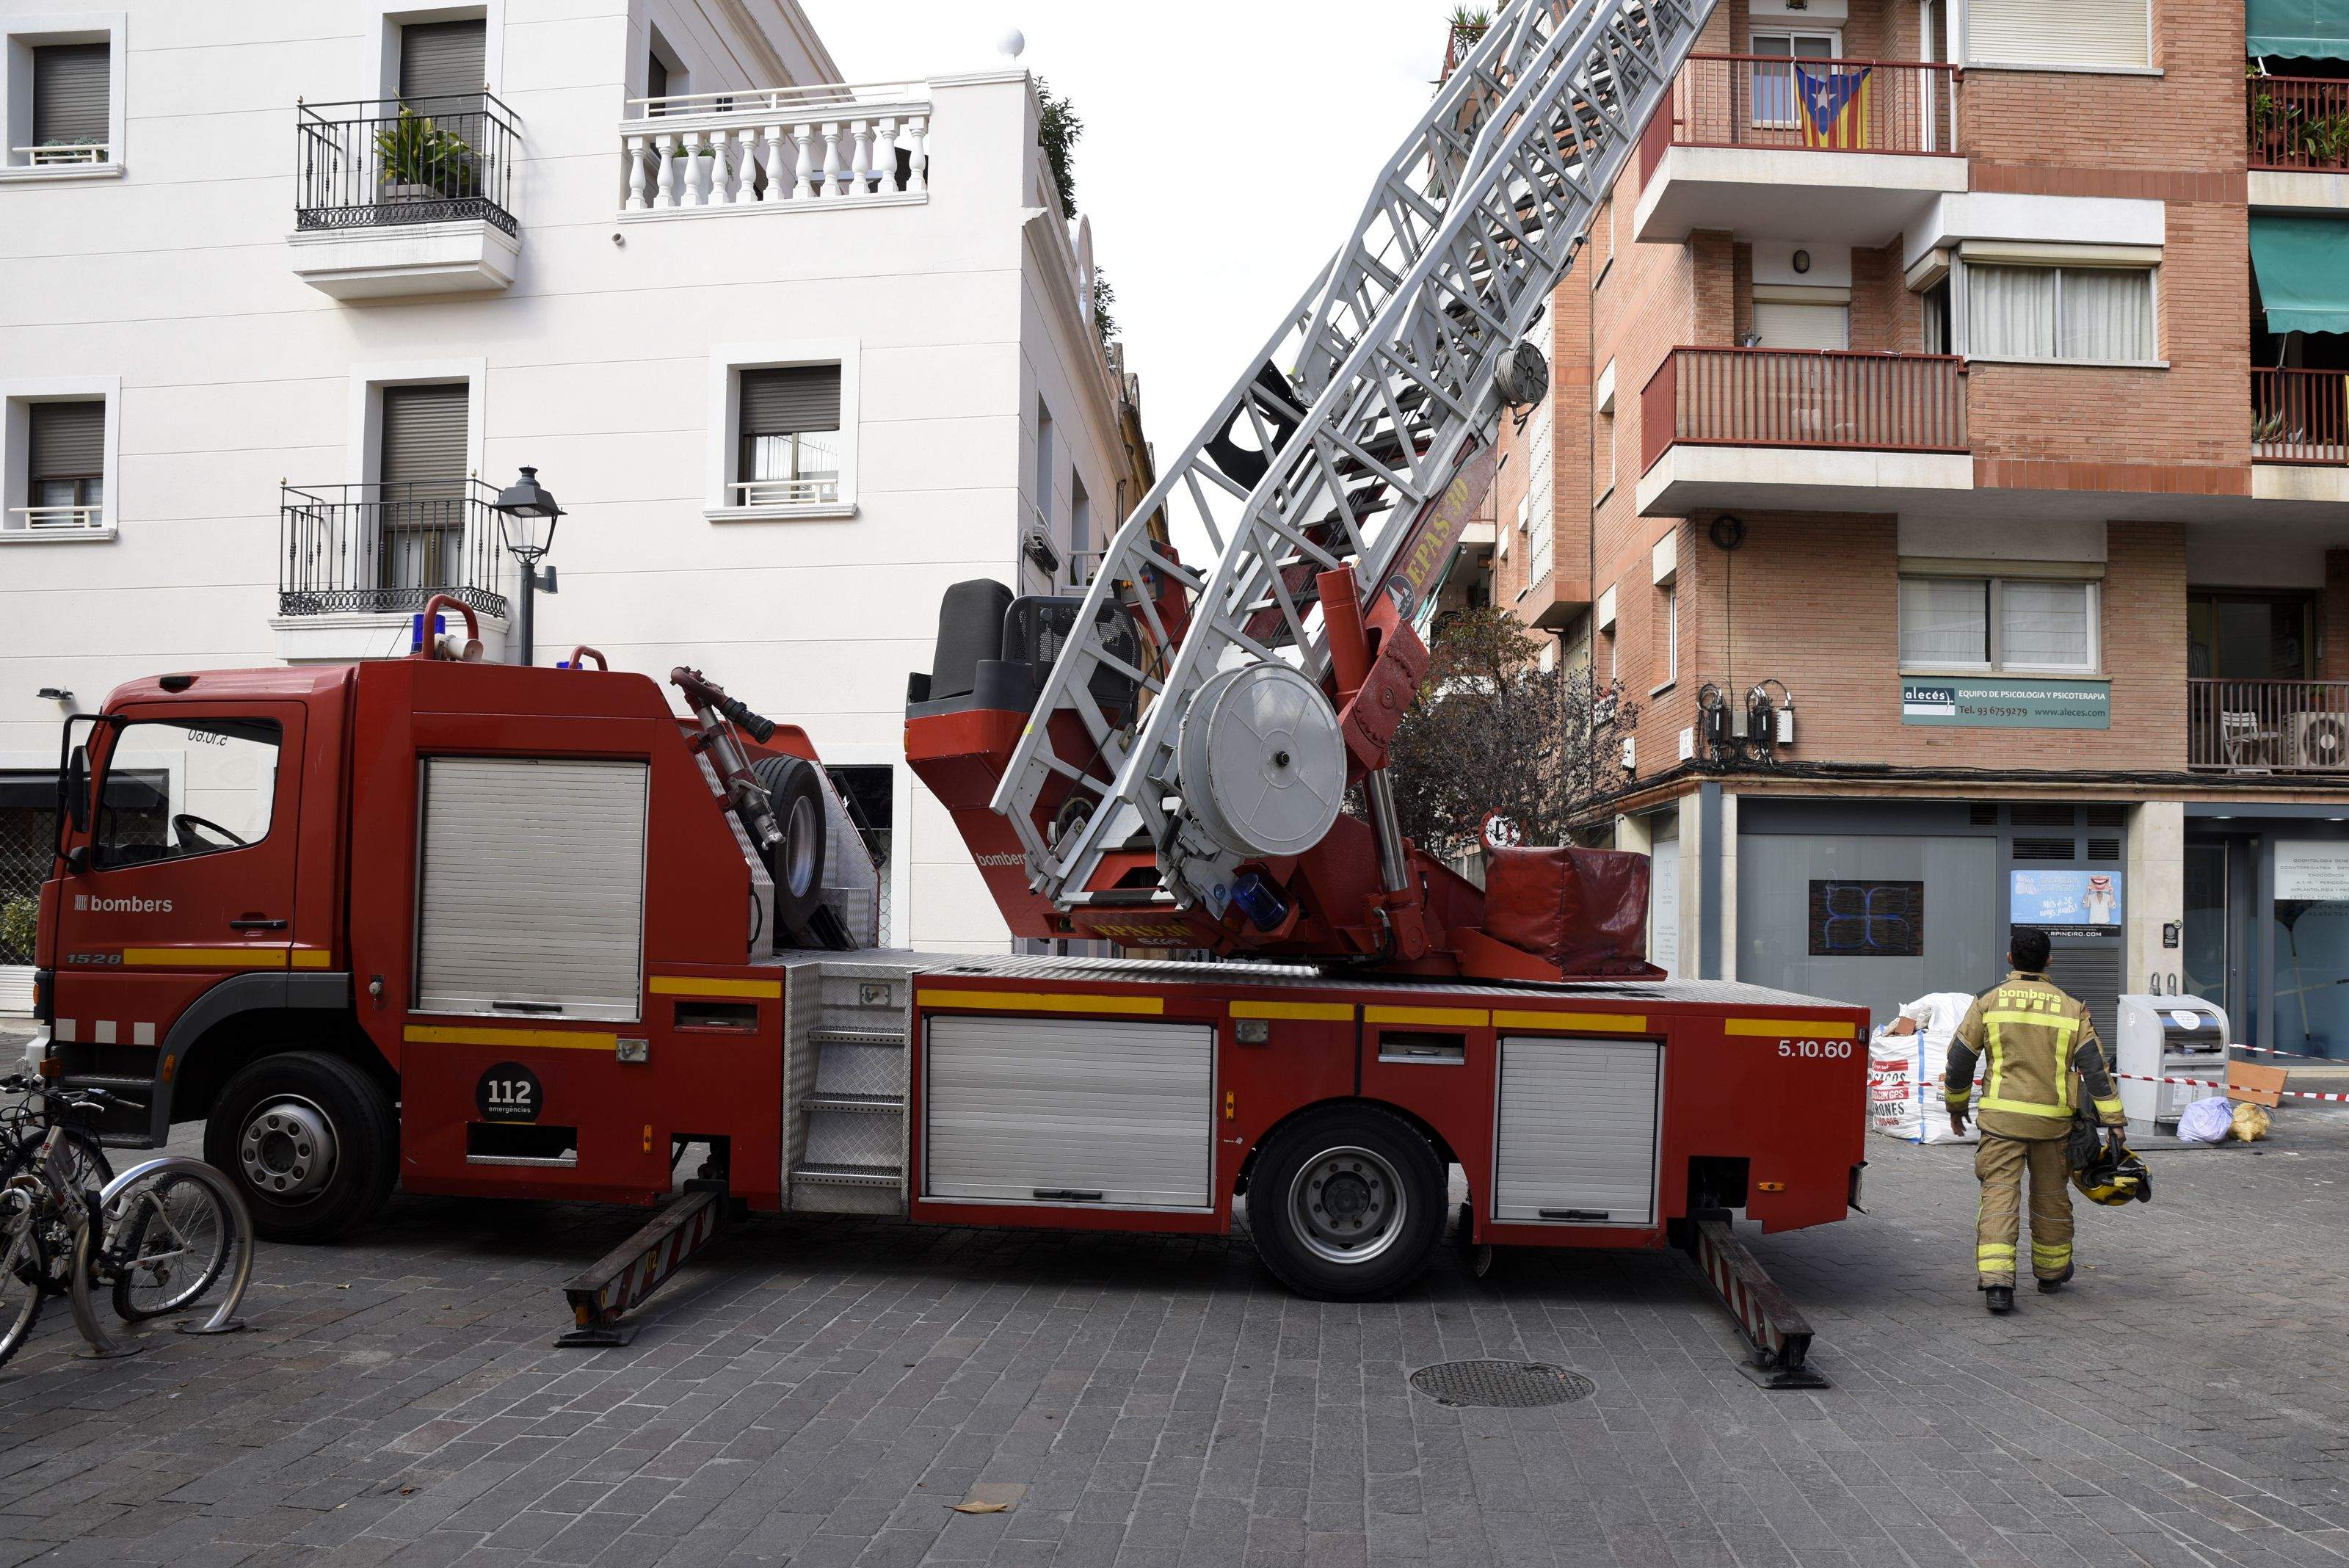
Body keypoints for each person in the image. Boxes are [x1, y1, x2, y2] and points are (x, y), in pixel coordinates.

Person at [1945, 929, 2125, 1314]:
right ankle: (2051, 1273)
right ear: (2049, 961)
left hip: (2001, 1123)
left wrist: (1956, 1107)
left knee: (1999, 1195)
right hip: (2053, 1125)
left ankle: (1997, 1284)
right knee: (2051, 1198)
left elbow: (1961, 1058)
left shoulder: (1987, 1002)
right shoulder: (2071, 1008)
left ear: (2010, 959)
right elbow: (2094, 1067)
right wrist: (2114, 1120)